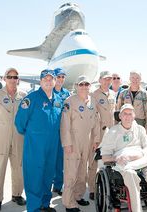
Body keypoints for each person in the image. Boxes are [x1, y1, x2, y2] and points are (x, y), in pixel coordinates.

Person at [100, 104, 147, 212]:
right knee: (131, 175)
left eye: (130, 114)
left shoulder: (140, 129)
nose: (127, 117)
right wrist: (117, 158)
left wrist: (138, 156)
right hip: (124, 164)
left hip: (141, 161)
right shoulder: (112, 132)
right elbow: (105, 157)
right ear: (120, 116)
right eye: (125, 114)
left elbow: (146, 149)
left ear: (134, 116)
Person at [15, 69, 63, 212]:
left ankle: (44, 204)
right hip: (35, 145)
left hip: (52, 144)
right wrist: (34, 135)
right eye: (45, 79)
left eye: (51, 79)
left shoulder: (58, 100)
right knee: (34, 175)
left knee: (48, 174)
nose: (48, 81)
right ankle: (34, 207)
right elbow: (20, 123)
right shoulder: (31, 99)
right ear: (40, 81)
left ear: (55, 81)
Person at [0, 68, 27, 211]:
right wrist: (1, 129)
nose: (12, 79)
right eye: (9, 76)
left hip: (18, 138)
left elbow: (26, 117)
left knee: (18, 169)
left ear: (18, 79)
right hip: (1, 139)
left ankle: (17, 195)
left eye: (15, 76)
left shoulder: (24, 96)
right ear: (4, 79)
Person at [60, 75, 100, 212]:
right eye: (81, 84)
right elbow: (65, 124)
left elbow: (96, 122)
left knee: (82, 170)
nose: (84, 87)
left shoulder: (92, 102)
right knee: (71, 172)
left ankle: (77, 195)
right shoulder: (69, 101)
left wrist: (96, 140)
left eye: (86, 84)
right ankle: (68, 202)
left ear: (90, 86)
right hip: (73, 141)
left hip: (87, 141)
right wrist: (67, 143)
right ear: (77, 86)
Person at [87, 71, 115, 200]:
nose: (107, 81)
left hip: (111, 132)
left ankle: (108, 186)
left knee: (109, 159)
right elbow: (93, 117)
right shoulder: (94, 95)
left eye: (109, 79)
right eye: (105, 79)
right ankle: (92, 189)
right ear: (99, 80)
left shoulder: (113, 94)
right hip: (98, 132)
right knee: (94, 161)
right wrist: (96, 137)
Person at [52, 68, 70, 196]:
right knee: (49, 159)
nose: (61, 79)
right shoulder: (48, 91)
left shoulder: (66, 93)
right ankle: (46, 184)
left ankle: (58, 185)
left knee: (60, 159)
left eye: (63, 77)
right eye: (59, 76)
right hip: (51, 131)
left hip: (63, 131)